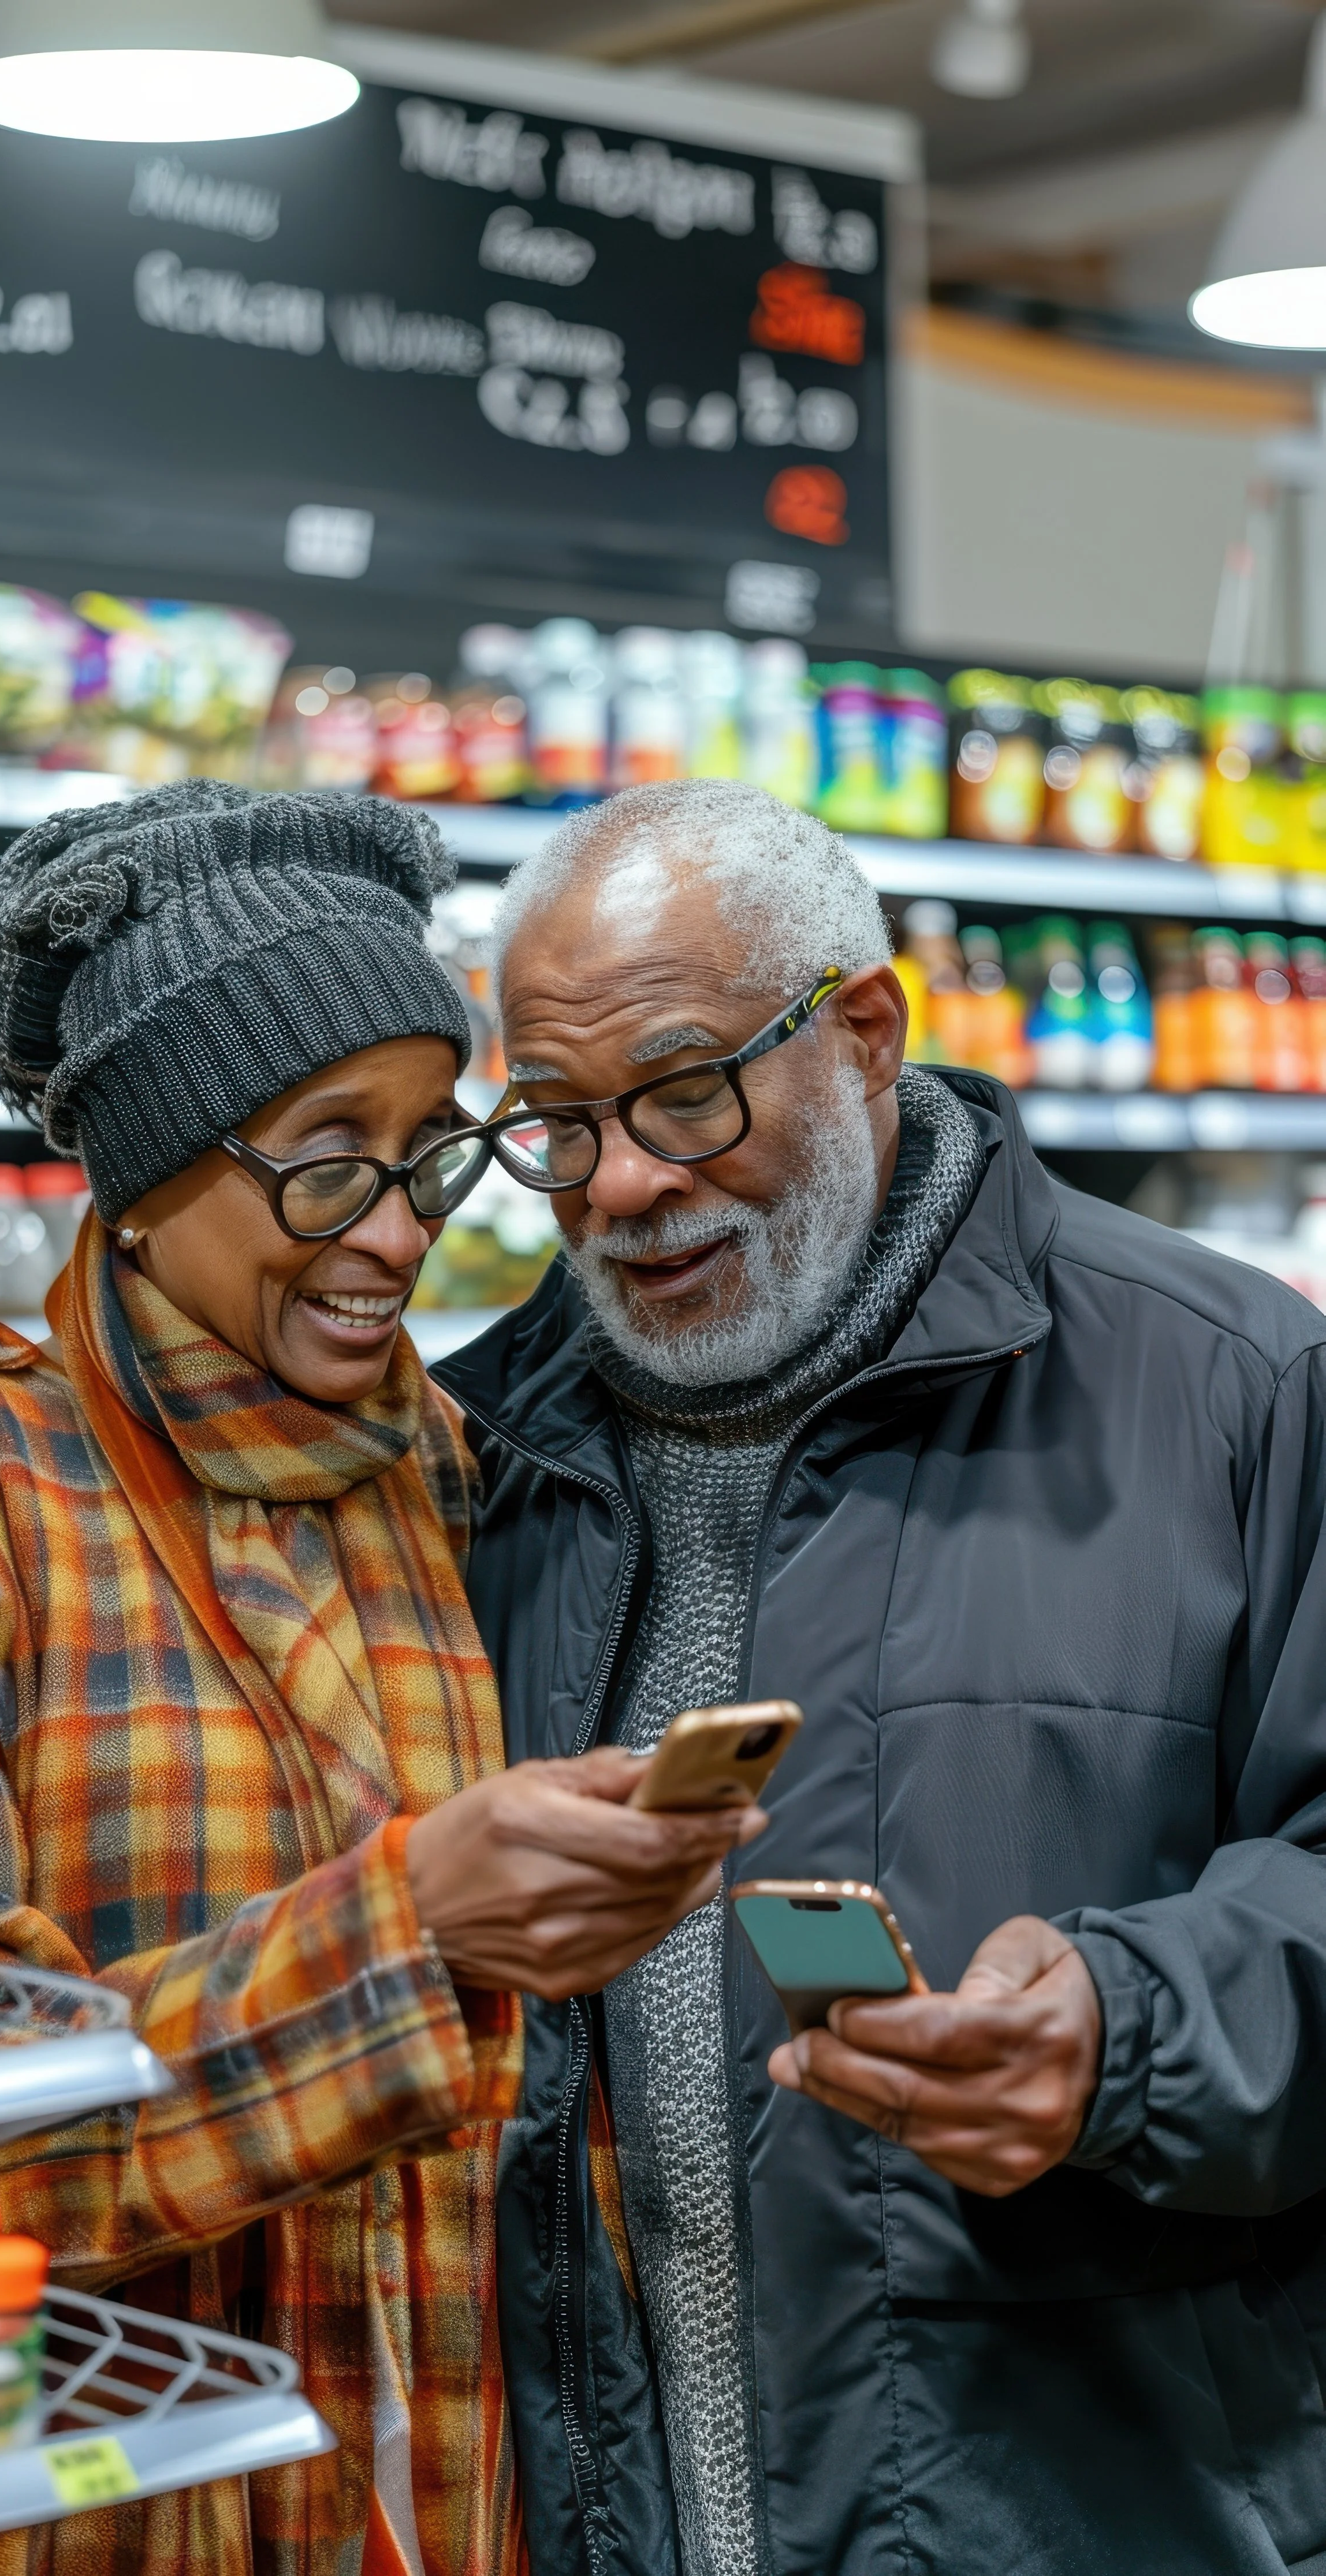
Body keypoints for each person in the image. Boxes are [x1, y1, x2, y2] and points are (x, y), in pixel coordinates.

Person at [439, 777, 1326, 2576]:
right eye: (550, 1121)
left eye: (686, 1087)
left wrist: (1132, 2033)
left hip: (1087, 2510)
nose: (620, 1182)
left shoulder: (1234, 1388)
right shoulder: (466, 1459)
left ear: (859, 1034)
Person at [0, 780, 760, 2576]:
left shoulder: (460, 1473)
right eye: (324, 1151)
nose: (394, 1227)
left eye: (432, 1144)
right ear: (149, 1168)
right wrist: (406, 1932)